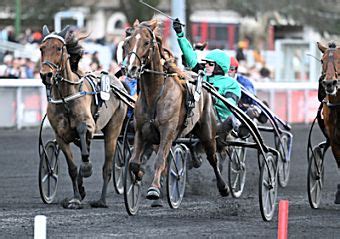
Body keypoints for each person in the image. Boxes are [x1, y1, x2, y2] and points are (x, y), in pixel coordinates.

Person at [172, 18, 241, 137]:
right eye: (206, 63)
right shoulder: (202, 75)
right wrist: (180, 34)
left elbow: (230, 103)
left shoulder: (231, 84)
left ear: (219, 67)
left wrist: (214, 99)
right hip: (200, 119)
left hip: (219, 122)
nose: (206, 66)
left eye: (210, 64)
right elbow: (191, 58)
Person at [228, 56, 267, 125]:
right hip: (227, 111)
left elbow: (252, 98)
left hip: (243, 110)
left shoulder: (244, 82)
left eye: (231, 69)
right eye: (226, 69)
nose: (228, 72)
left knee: (252, 107)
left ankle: (258, 111)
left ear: (236, 70)